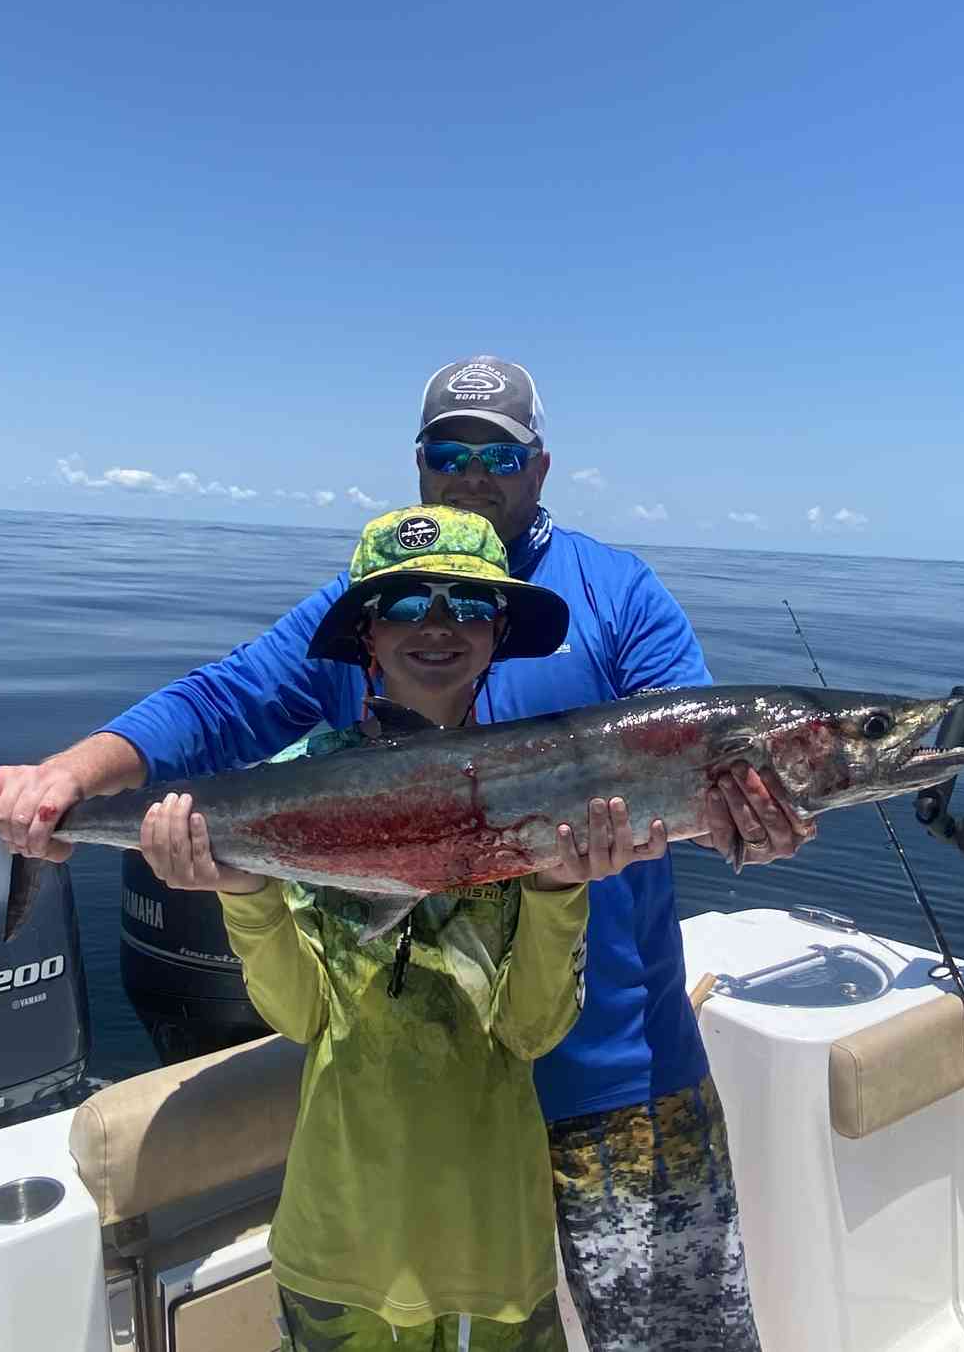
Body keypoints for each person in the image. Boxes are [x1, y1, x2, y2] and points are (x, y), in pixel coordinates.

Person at [0, 356, 815, 1352]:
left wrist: (756, 823)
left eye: (497, 454)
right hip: (421, 1108)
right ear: (418, 469)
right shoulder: (374, 599)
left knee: (683, 1340)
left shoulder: (617, 593)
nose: (473, 473)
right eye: (447, 452)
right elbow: (223, 699)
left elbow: (706, 761)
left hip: (616, 1070)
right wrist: (73, 774)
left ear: (539, 468)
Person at [163, 504, 662, 1350]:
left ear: (500, 631)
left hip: (493, 1256)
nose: (438, 627)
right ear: (366, 634)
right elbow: (300, 1017)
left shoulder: (545, 792)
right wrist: (243, 891)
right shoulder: (296, 782)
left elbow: (532, 1030)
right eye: (403, 606)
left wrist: (553, 893)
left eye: (467, 607)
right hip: (335, 1249)